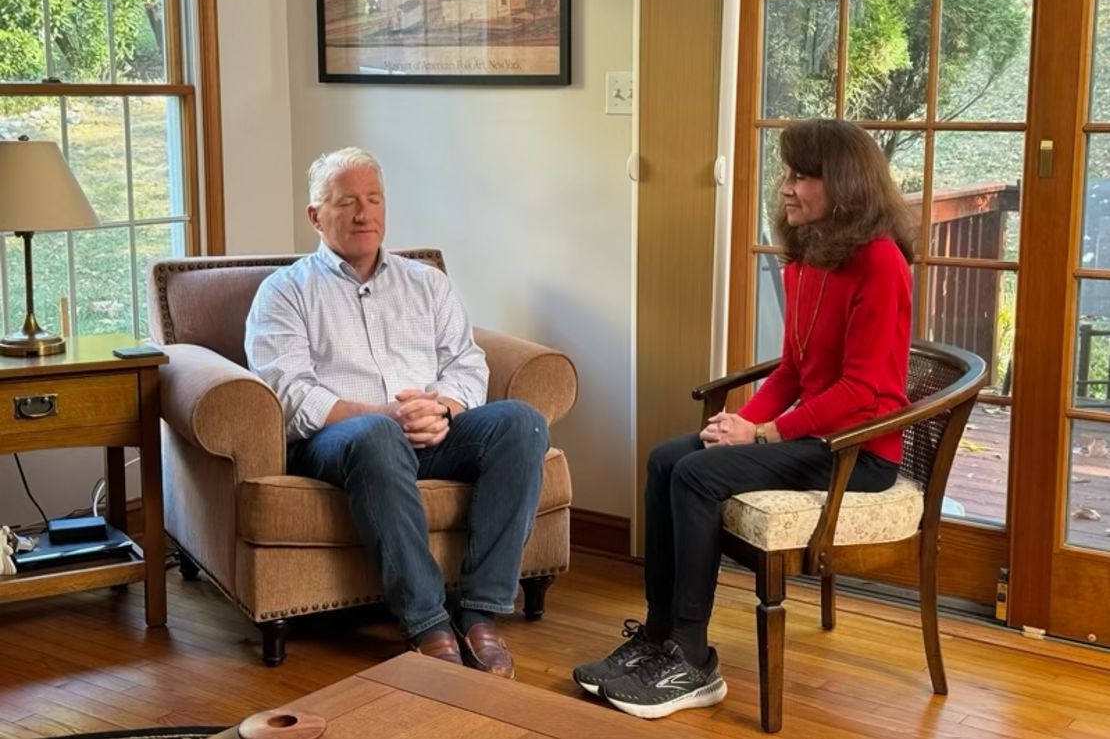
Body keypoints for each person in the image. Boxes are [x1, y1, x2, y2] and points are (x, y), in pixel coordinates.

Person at [573, 119, 917, 718]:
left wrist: (763, 433)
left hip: (858, 455)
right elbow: (792, 369)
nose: (785, 187)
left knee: (698, 476)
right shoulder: (810, 256)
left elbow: (863, 391)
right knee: (668, 457)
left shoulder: (881, 263)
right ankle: (657, 637)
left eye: (802, 175)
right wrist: (734, 424)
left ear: (845, 184)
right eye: (786, 173)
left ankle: (692, 657)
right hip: (814, 438)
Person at [245, 147, 548, 679]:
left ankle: (480, 615)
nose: (364, 214)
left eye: (373, 199)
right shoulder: (285, 292)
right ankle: (428, 622)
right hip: (343, 441)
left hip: (432, 431)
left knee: (522, 423)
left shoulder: (426, 282)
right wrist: (383, 414)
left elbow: (465, 363)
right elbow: (288, 392)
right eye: (347, 203)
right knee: (377, 435)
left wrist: (443, 410)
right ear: (316, 216)